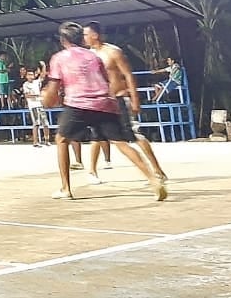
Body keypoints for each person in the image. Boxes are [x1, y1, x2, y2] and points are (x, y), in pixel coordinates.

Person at [42, 22, 166, 201]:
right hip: (105, 102)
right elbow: (105, 79)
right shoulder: (94, 56)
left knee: (61, 140)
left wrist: (47, 101)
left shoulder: (59, 58)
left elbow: (54, 86)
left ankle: (65, 188)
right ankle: (152, 178)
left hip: (78, 103)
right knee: (121, 143)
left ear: (63, 40)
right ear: (81, 38)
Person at [83, 21, 167, 184]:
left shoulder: (113, 52)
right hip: (101, 101)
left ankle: (157, 170)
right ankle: (92, 171)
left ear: (95, 35)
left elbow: (128, 75)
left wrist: (135, 98)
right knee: (97, 135)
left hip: (119, 98)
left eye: (86, 34)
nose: (84, 38)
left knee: (135, 134)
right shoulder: (88, 56)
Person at [22, 68, 51, 147]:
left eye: (32, 74)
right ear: (26, 76)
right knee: (36, 124)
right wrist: (37, 95)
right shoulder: (26, 84)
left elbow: (42, 76)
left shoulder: (36, 82)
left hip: (40, 105)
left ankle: (47, 140)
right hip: (33, 106)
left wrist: (43, 66)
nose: (30, 76)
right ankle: (35, 141)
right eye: (29, 75)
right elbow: (27, 95)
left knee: (46, 123)